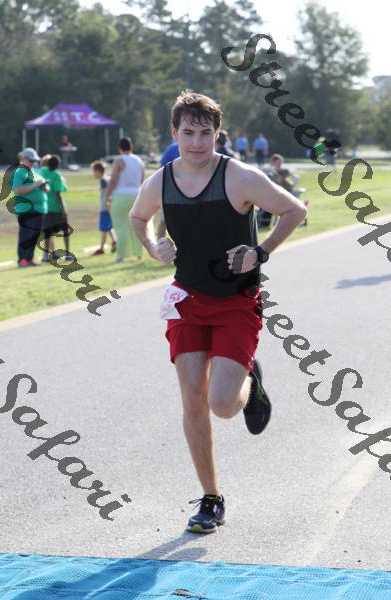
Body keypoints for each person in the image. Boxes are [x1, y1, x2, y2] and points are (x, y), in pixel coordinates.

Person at [129, 91, 306, 534]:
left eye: (205, 133)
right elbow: (137, 218)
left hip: (235, 303)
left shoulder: (239, 176)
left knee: (222, 404)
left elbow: (294, 209)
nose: (196, 142)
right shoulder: (161, 181)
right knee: (193, 399)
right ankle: (211, 498)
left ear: (217, 134)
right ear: (174, 132)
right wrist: (152, 246)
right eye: (188, 132)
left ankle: (250, 381)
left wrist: (259, 252)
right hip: (186, 301)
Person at [106, 137, 145, 263]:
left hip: (121, 195)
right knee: (136, 226)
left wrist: (107, 196)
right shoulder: (139, 160)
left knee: (120, 226)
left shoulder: (119, 160)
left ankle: (121, 256)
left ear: (119, 148)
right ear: (131, 147)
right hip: (136, 195)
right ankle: (138, 253)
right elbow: (142, 180)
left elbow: (113, 180)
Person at [10, 147, 48, 267]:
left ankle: (29, 258)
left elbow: (43, 186)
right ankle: (23, 259)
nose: (33, 163)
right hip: (26, 210)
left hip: (39, 209)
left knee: (34, 236)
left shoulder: (35, 171)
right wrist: (35, 185)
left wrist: (44, 186)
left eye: (34, 161)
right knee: (26, 235)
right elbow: (18, 190)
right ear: (24, 159)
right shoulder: (19, 172)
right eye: (31, 161)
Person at [40, 155, 71, 260]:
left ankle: (45, 256)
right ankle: (67, 253)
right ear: (58, 165)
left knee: (48, 232)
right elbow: (58, 193)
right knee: (65, 231)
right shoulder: (57, 175)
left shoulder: (43, 171)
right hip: (57, 207)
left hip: (46, 207)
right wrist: (63, 209)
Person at [91, 160, 116, 255]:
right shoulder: (108, 178)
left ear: (98, 171)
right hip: (109, 207)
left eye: (94, 171)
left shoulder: (103, 180)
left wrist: (107, 203)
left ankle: (101, 248)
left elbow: (108, 193)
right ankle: (114, 242)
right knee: (108, 227)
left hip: (105, 208)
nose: (93, 174)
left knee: (104, 228)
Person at [157, 140, 180, 238]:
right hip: (171, 191)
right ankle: (160, 243)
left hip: (191, 190)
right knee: (164, 221)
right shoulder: (172, 148)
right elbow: (161, 168)